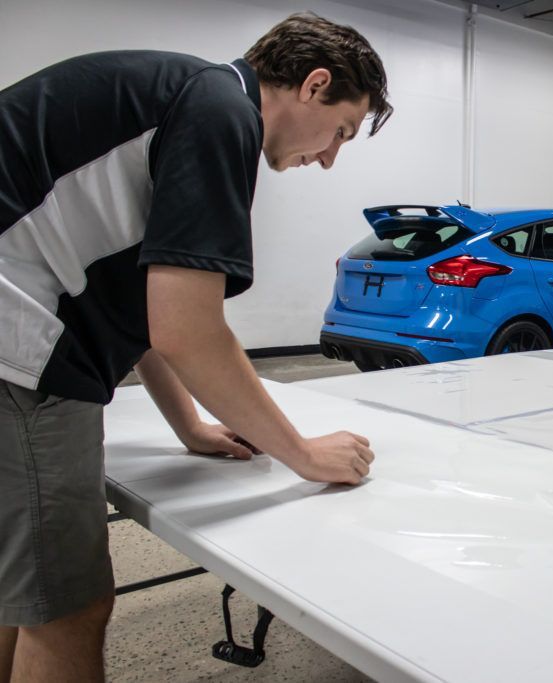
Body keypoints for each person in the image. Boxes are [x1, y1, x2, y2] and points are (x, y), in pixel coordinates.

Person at [0, 13, 392, 681]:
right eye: (341, 132)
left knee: (23, 591)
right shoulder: (220, 112)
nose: (329, 156)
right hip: (19, 344)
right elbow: (188, 329)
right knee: (67, 607)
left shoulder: (186, 93)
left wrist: (190, 425)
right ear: (314, 84)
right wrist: (300, 453)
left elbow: (146, 315)